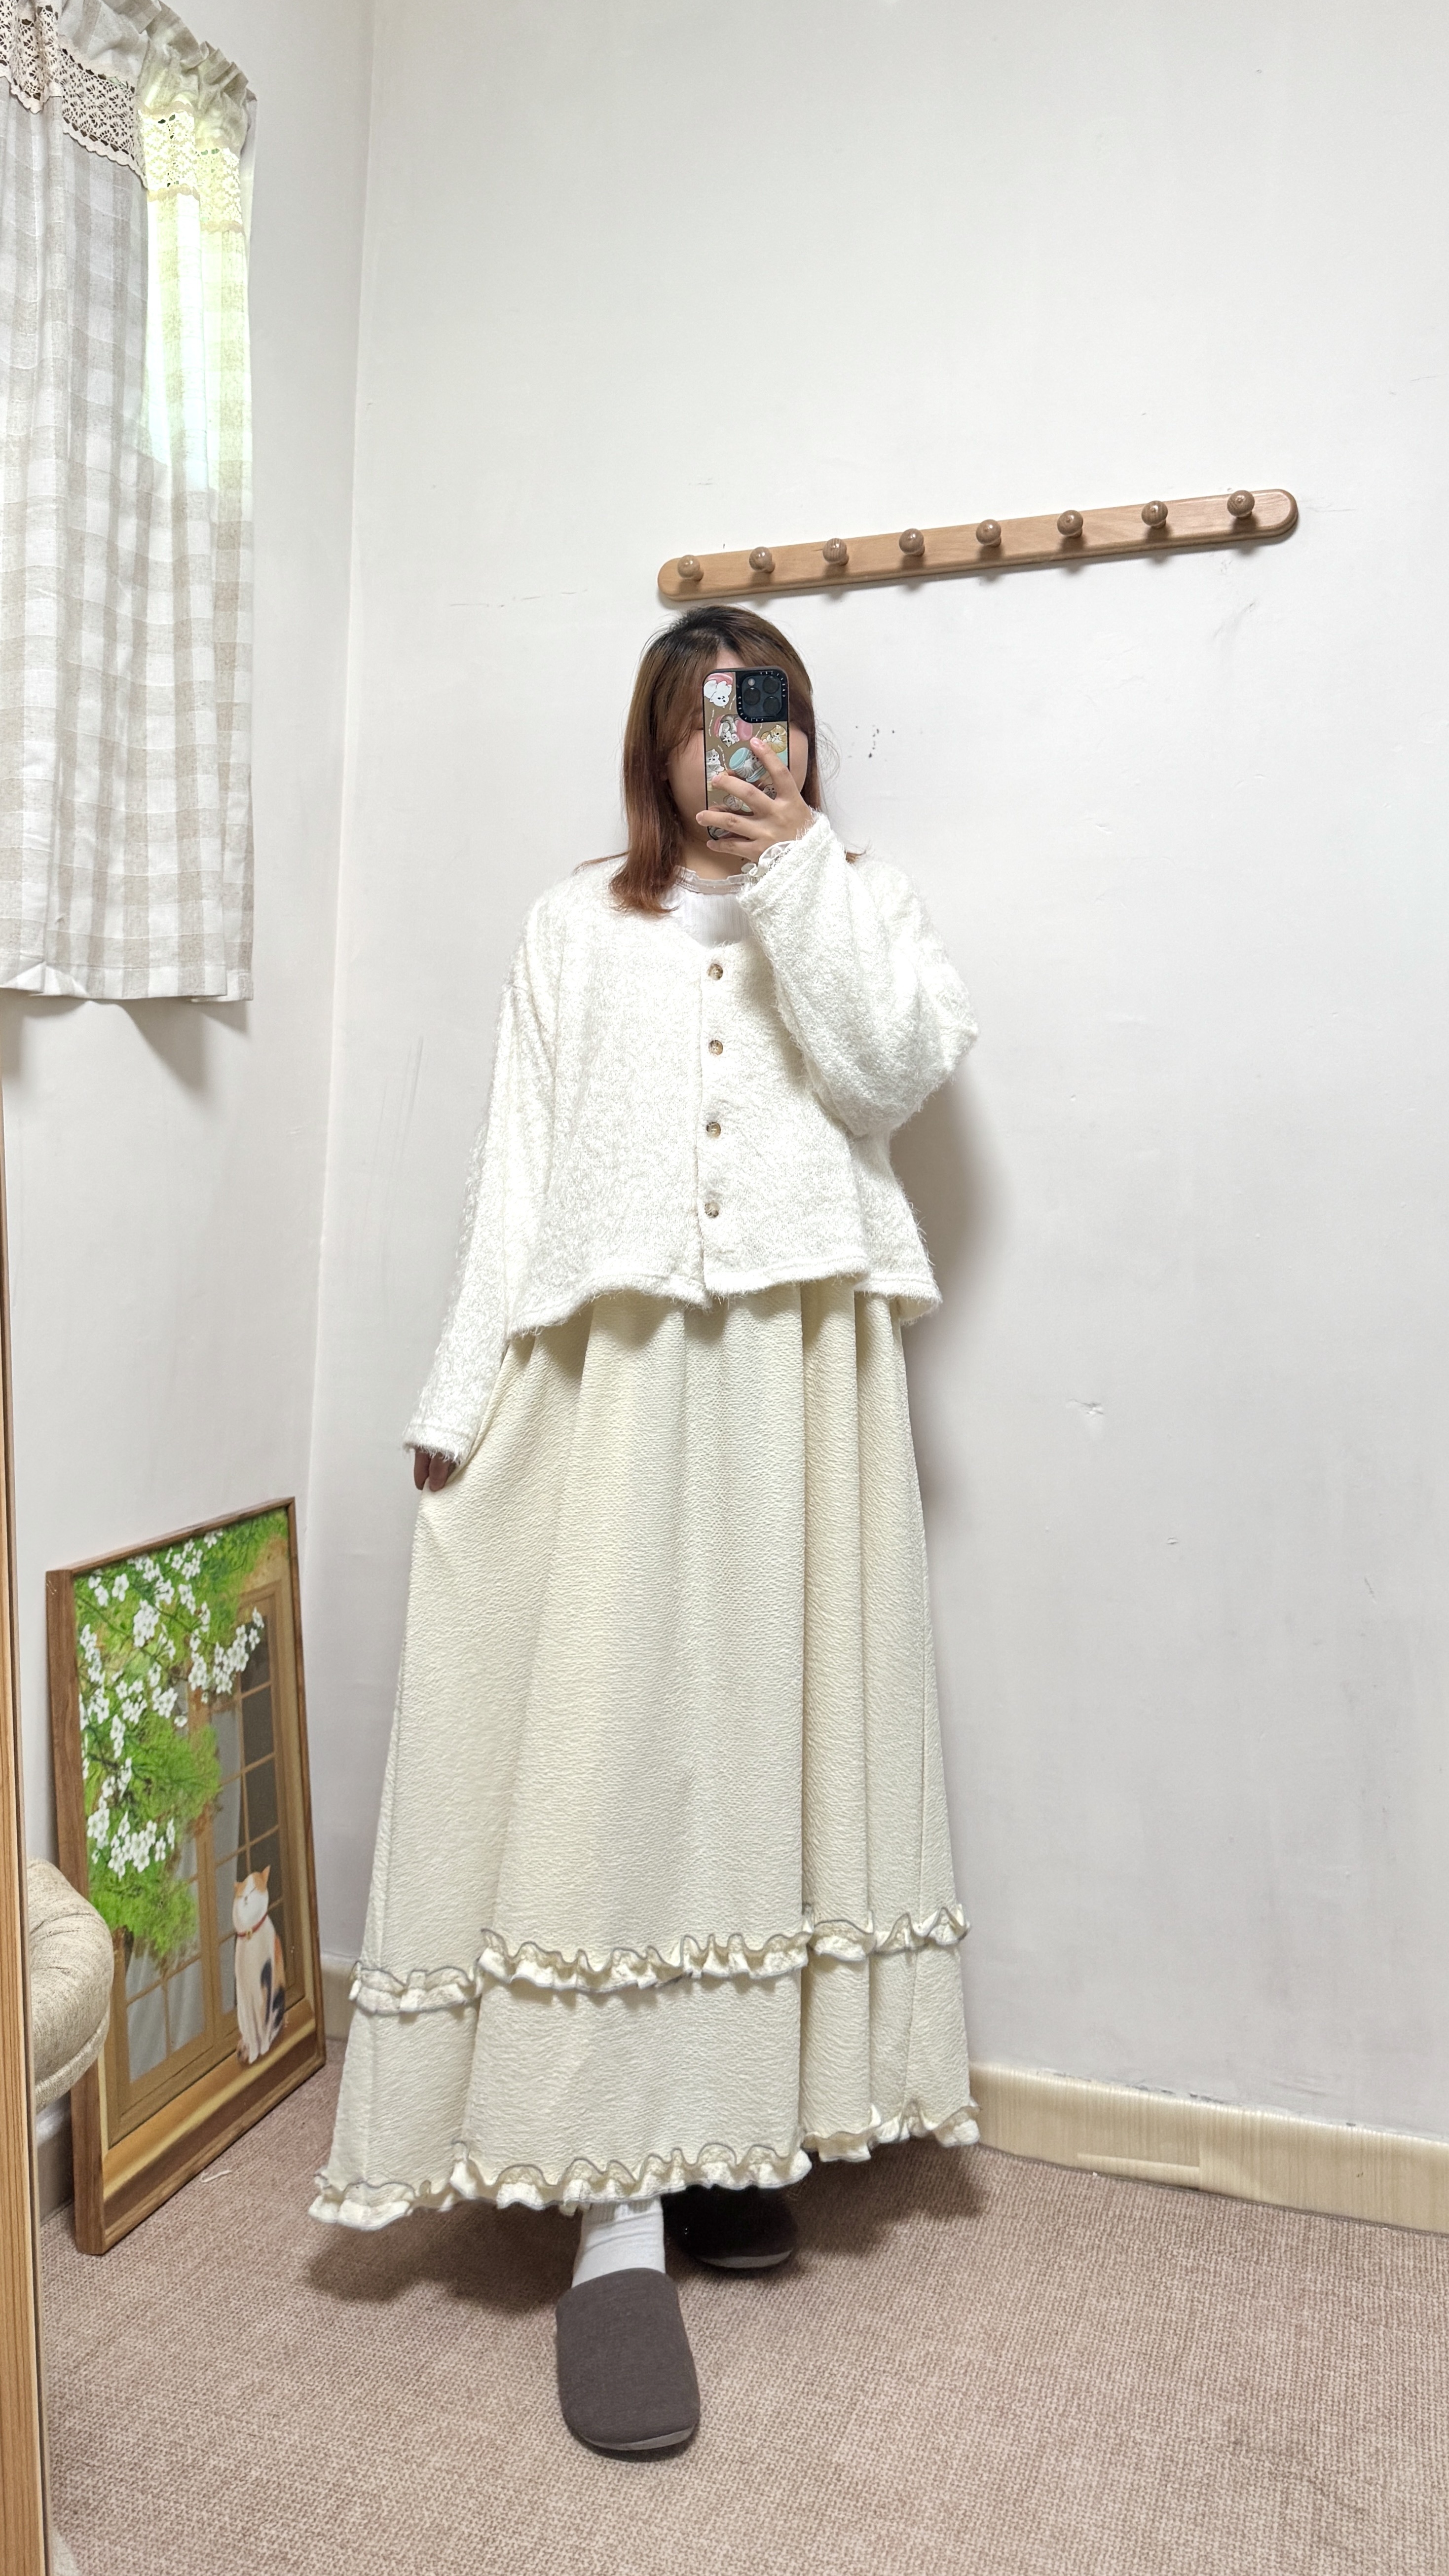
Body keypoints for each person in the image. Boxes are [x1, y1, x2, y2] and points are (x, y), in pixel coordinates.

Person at [311, 604, 979, 2455]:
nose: (733, 745)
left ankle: (730, 2139)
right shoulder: (568, 925)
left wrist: (798, 877)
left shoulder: (860, 899)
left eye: (767, 712)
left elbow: (891, 1072)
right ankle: (613, 2218)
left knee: (763, 1759)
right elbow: (515, 1172)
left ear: (804, 737)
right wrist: (458, 1399)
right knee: (611, 1766)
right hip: (617, 1382)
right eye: (701, 716)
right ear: (652, 743)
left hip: (799, 1385)